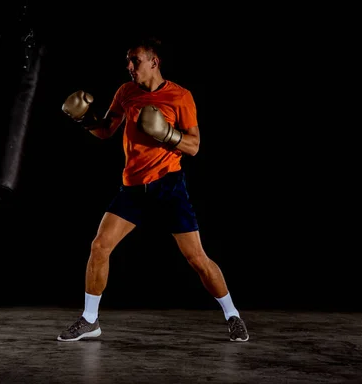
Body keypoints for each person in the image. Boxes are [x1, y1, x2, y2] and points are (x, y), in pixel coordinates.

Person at [58, 35, 249, 342]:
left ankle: (233, 315)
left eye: (135, 60)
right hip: (132, 188)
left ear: (153, 62)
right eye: (127, 61)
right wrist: (85, 120)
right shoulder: (125, 92)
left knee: (197, 259)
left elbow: (195, 146)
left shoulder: (180, 96)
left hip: (168, 187)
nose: (129, 66)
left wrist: (166, 134)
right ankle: (90, 319)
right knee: (99, 247)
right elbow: (106, 130)